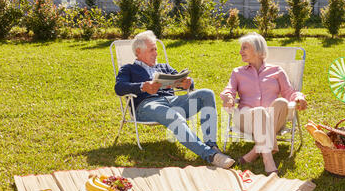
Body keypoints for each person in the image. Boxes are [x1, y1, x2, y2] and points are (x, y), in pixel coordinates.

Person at [115, 30, 234, 169]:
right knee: (173, 114)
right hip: (147, 105)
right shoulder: (128, 69)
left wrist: (188, 83)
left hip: (172, 100)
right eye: (151, 50)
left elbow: (180, 79)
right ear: (138, 52)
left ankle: (211, 145)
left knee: (207, 93)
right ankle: (211, 155)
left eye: (156, 49)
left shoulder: (163, 67)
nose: (156, 53)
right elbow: (119, 87)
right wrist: (143, 86)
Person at [220, 32, 307, 174]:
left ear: (258, 50)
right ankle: (268, 159)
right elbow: (229, 90)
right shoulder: (237, 72)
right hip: (246, 118)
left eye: (244, 48)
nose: (240, 51)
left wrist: (299, 97)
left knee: (281, 102)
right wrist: (228, 97)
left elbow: (289, 92)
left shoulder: (277, 71)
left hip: (272, 118)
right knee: (260, 111)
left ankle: (255, 151)